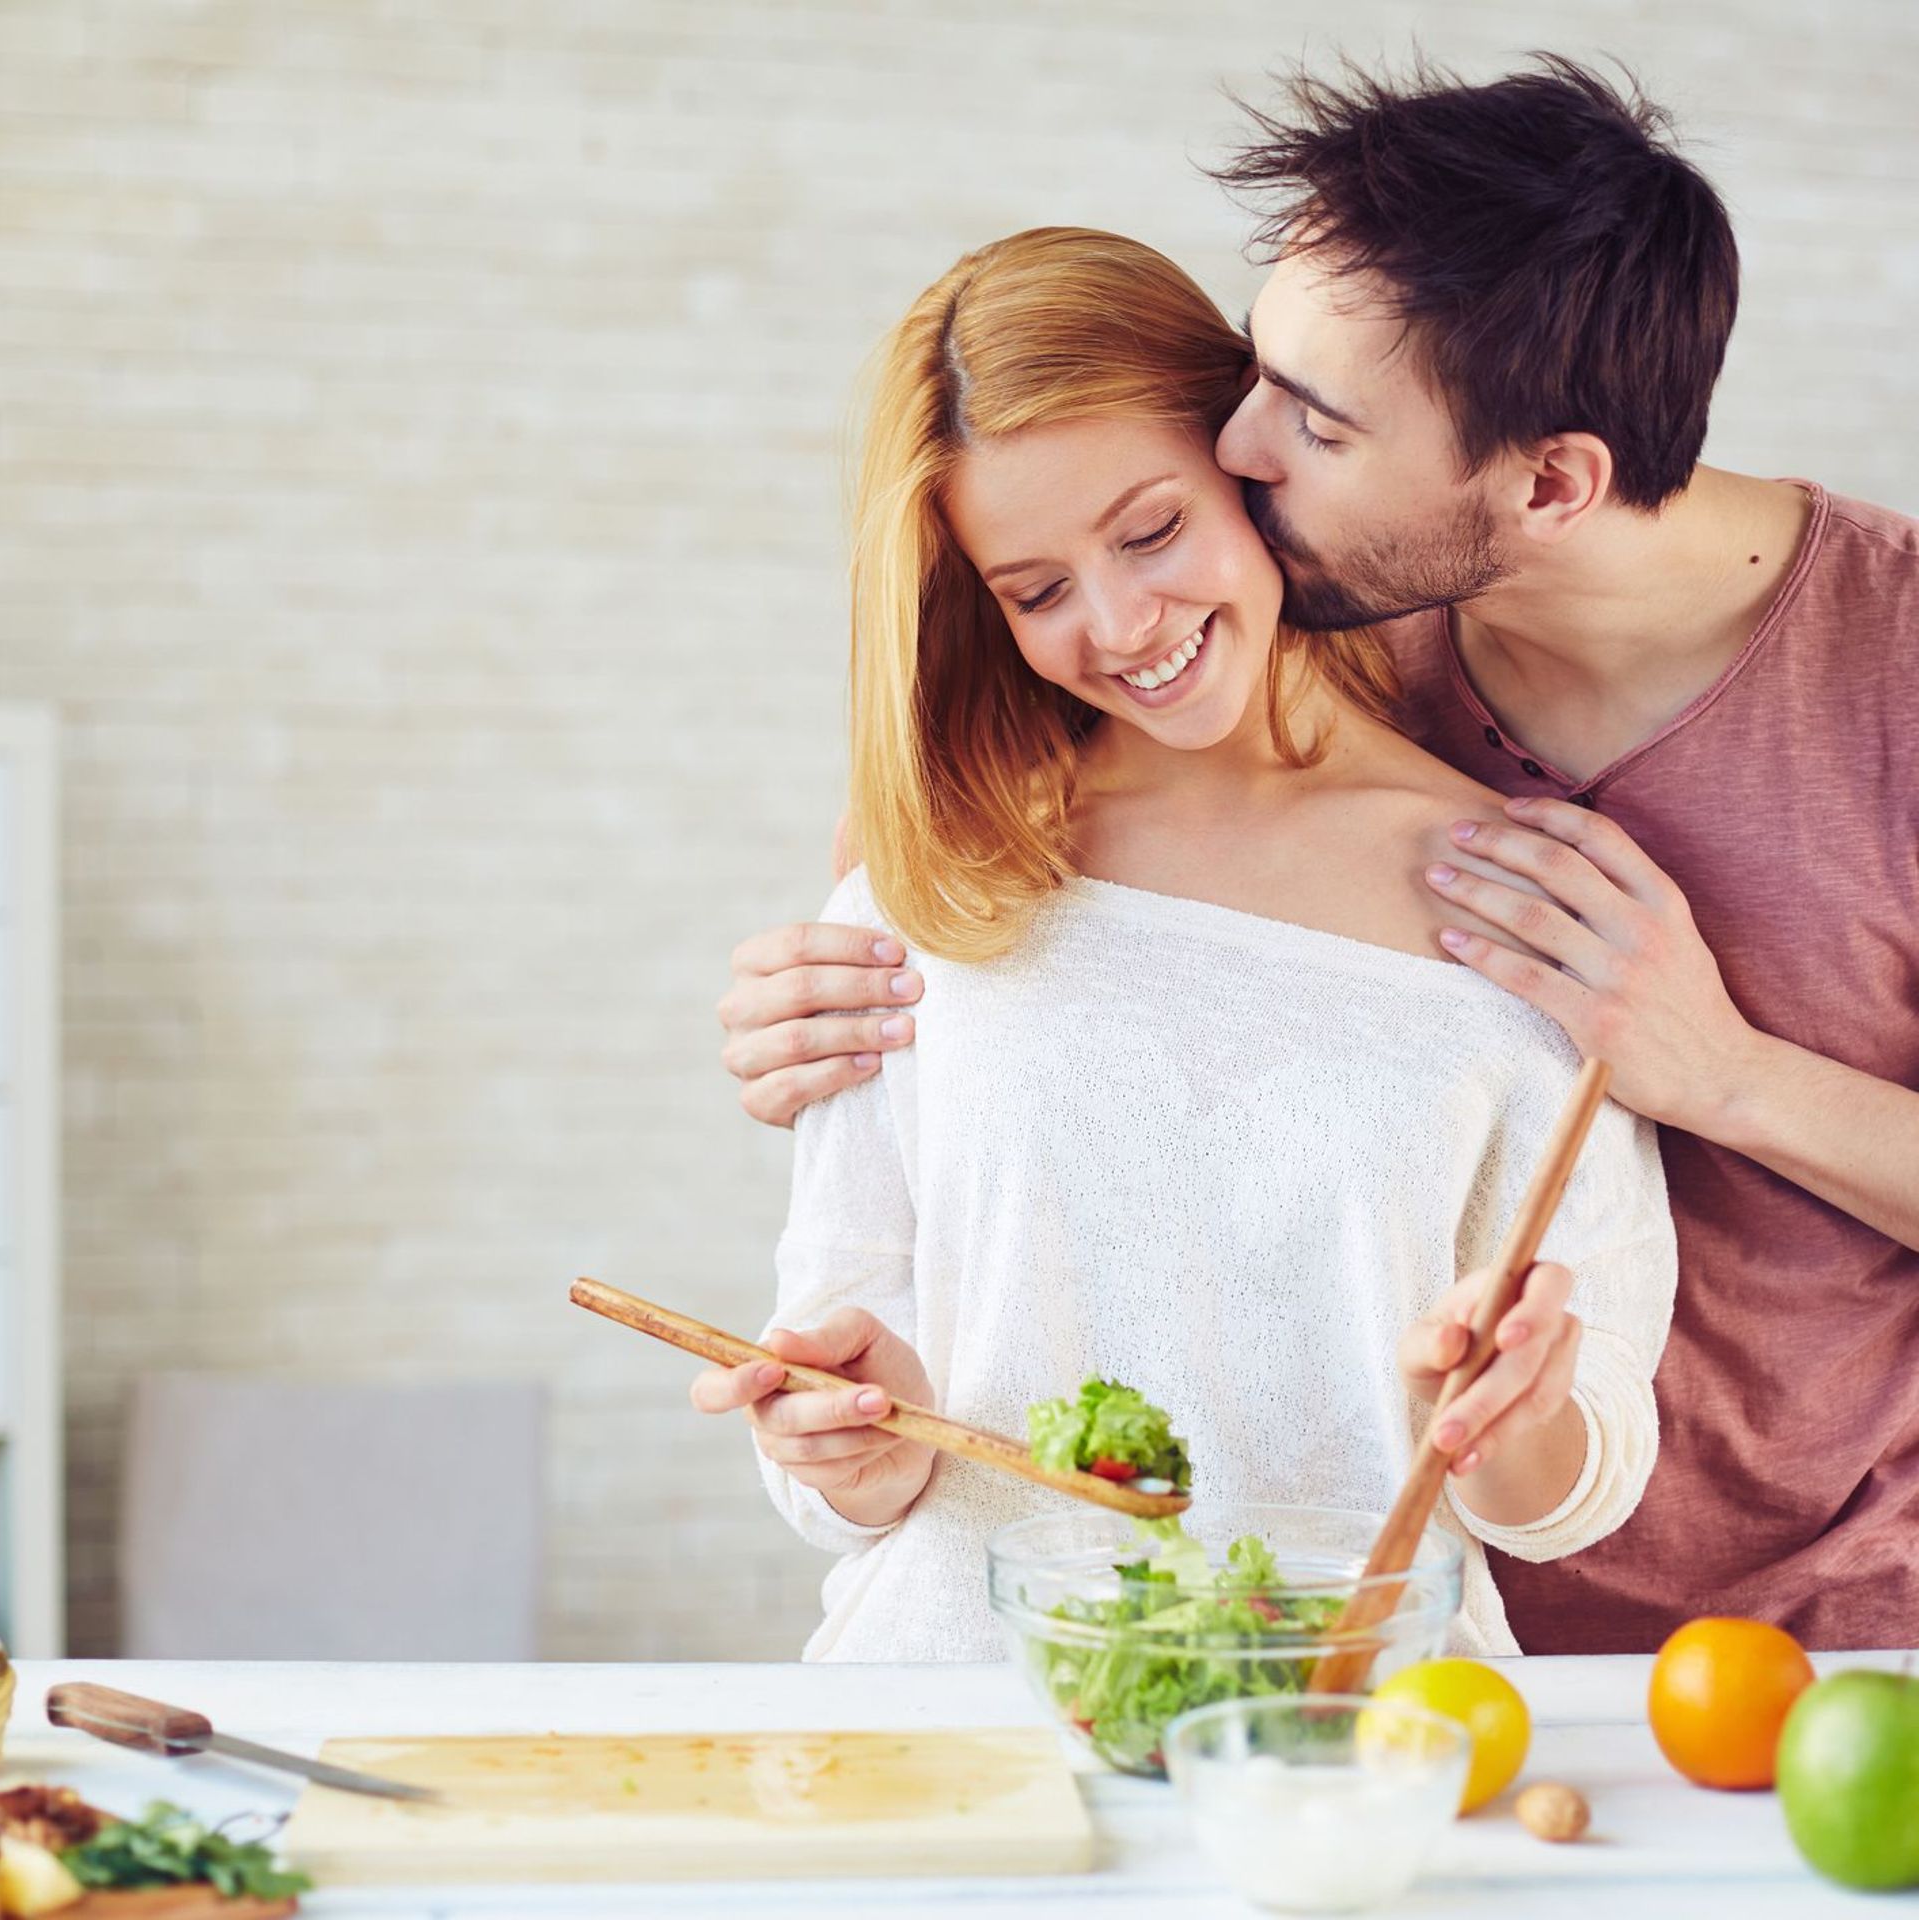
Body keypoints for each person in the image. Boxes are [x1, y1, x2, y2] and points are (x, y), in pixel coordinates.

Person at [717, 59, 1919, 1654]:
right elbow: (997, 895)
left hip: (1796, 1623)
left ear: (1546, 484)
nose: (1245, 440)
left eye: (1312, 419)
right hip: (1386, 1655)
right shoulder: (1317, 594)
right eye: (1258, 374)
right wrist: (837, 964)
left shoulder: (1862, 680)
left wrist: (1724, 1076)